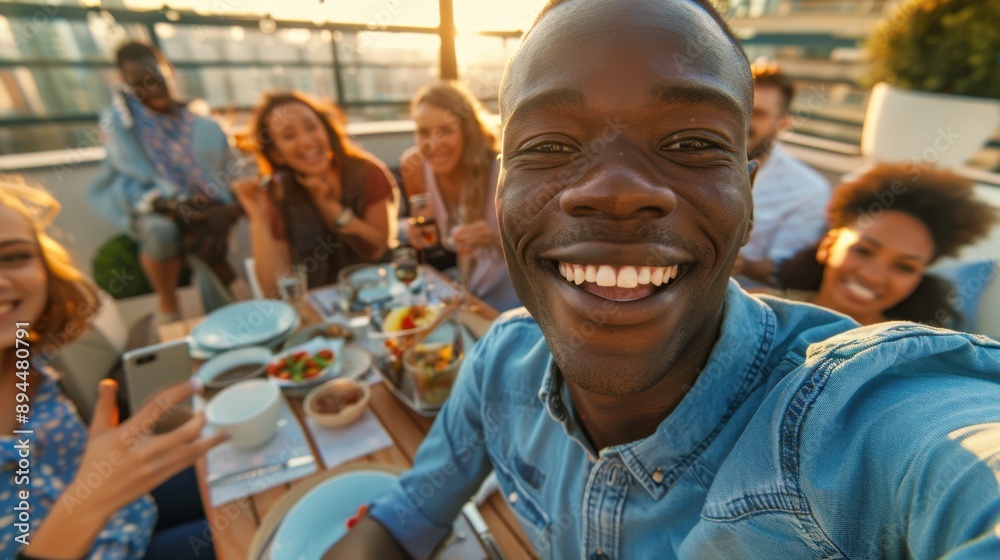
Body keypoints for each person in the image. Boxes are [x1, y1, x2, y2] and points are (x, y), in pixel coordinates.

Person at [328, 1, 1000, 558]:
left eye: (691, 143)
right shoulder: (500, 363)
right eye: (548, 146)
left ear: (749, 195)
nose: (615, 190)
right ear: (501, 191)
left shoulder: (843, 425)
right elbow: (404, 516)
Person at [0, 176, 225, 559]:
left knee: (241, 459)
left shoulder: (25, 357)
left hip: (129, 510)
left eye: (14, 256)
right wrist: (87, 502)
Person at [88, 42, 238, 324]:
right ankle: (169, 306)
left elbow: (229, 172)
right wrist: (168, 202)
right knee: (162, 232)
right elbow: (129, 175)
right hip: (153, 203)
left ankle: (223, 311)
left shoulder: (201, 123)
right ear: (127, 84)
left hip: (205, 203)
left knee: (211, 234)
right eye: (139, 82)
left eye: (155, 76)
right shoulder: (124, 124)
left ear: (167, 70)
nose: (151, 86)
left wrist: (225, 207)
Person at [774, 163, 998, 326]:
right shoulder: (758, 311)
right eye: (863, 251)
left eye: (904, 267)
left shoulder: (912, 356)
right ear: (828, 246)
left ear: (918, 279)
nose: (873, 276)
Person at [232, 92, 398, 296]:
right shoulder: (277, 195)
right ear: (276, 153)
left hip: (380, 293)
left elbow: (379, 248)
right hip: (319, 308)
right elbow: (272, 290)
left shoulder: (367, 172)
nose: (307, 141)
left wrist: (333, 211)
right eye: (289, 135)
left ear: (326, 130)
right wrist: (259, 219)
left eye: (311, 127)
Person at [399, 82, 520, 311]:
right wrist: (412, 232)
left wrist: (494, 239)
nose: (433, 144)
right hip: (461, 293)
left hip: (510, 303)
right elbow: (426, 238)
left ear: (467, 130)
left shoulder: (501, 172)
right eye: (424, 132)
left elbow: (536, 258)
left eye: (444, 131)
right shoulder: (414, 167)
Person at [732, 65, 830, 287]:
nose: (742, 119)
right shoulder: (686, 152)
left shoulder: (808, 190)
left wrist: (740, 263)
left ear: (783, 123)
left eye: (758, 113)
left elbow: (784, 272)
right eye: (736, 106)